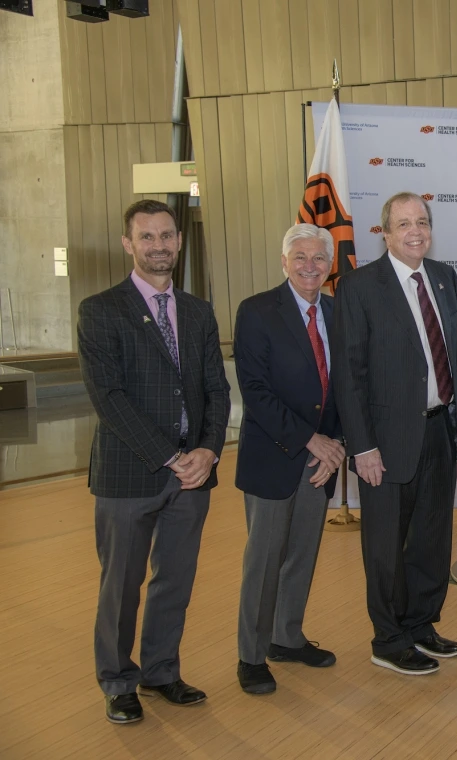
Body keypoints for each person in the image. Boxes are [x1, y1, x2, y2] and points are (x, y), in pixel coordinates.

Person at [78, 199, 230, 725]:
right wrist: (172, 457)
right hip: (130, 475)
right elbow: (110, 398)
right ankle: (118, 680)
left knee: (175, 580)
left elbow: (216, 388)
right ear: (128, 244)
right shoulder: (100, 310)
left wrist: (209, 450)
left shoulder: (197, 311)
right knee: (120, 585)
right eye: (147, 237)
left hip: (194, 477)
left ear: (179, 242)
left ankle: (161, 671)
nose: (159, 245)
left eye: (167, 236)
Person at [332, 192, 457, 676]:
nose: (416, 231)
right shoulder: (359, 286)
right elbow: (350, 375)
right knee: (386, 545)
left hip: (439, 432)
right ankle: (388, 638)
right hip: (385, 443)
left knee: (432, 540)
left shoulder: (446, 279)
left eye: (423, 221)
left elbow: (456, 360)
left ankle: (422, 624)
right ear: (385, 232)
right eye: (405, 223)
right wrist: (362, 446)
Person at [231, 224, 345, 695]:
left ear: (329, 265)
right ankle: (251, 656)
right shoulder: (257, 311)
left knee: (301, 555)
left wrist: (334, 445)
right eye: (300, 256)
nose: (309, 265)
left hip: (320, 462)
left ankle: (287, 637)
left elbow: (344, 389)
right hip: (275, 457)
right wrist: (310, 440)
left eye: (319, 258)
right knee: (264, 561)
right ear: (284, 261)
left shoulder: (337, 313)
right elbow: (254, 391)